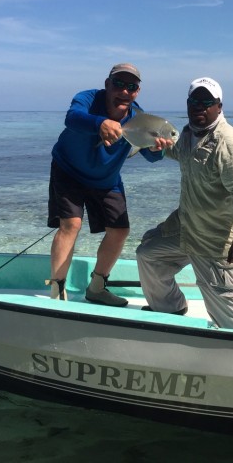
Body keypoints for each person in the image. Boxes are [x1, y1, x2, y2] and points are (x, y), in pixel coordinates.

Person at [136, 77, 233, 330]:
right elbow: (173, 151)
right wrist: (153, 143)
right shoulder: (189, 134)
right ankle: (171, 309)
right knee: (148, 254)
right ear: (187, 104)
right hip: (185, 229)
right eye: (194, 101)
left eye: (207, 102)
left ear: (219, 106)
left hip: (215, 240)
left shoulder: (229, 142)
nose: (199, 107)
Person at [47, 63, 172, 304]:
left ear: (137, 91)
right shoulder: (87, 98)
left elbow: (150, 156)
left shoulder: (140, 118)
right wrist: (99, 124)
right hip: (68, 170)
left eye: (131, 86)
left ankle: (97, 287)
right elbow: (72, 119)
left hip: (106, 179)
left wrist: (158, 150)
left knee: (120, 230)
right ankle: (57, 292)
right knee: (71, 224)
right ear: (107, 84)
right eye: (119, 84)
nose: (125, 91)